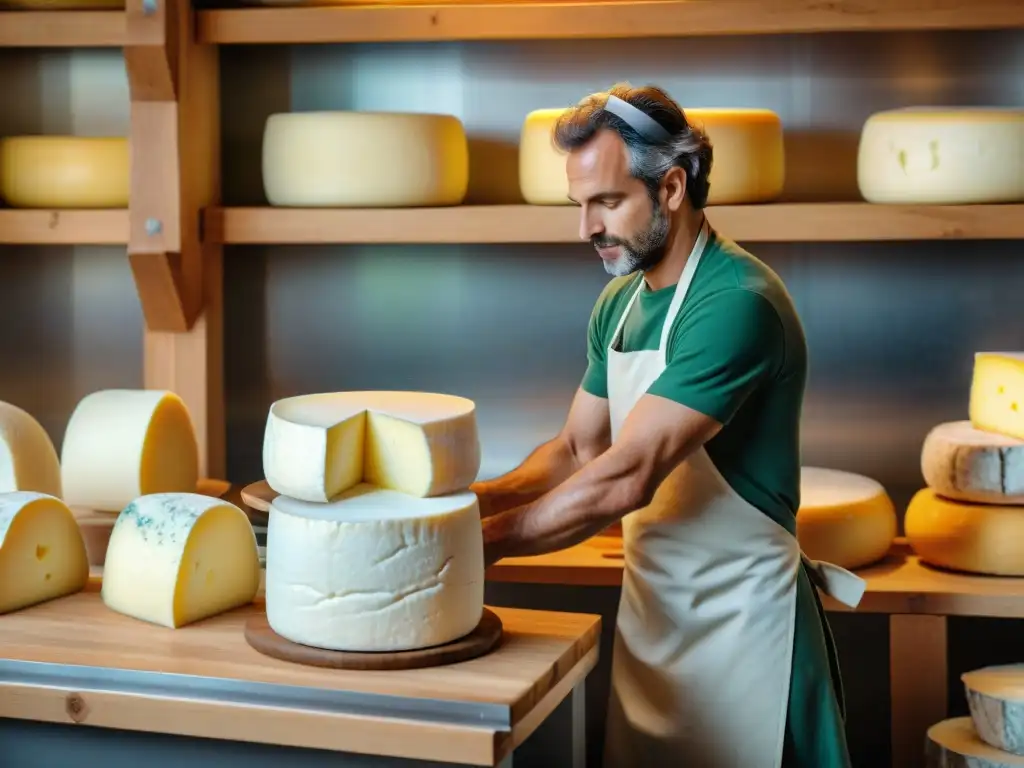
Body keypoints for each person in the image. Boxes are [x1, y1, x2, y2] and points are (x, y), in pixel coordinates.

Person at [469, 84, 866, 768]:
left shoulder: (736, 304)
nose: (586, 228)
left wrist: (481, 546)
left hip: (748, 629)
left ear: (673, 187)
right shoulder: (619, 303)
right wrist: (462, 508)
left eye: (608, 202)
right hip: (658, 622)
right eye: (580, 205)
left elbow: (626, 475)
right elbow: (575, 449)